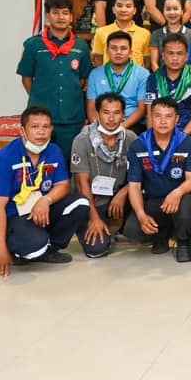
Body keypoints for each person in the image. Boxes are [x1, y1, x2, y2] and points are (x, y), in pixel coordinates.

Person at [0, 107, 90, 277]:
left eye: (46, 127)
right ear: (22, 130)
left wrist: (45, 200)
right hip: (13, 217)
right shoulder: (4, 158)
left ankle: (50, 249)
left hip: (41, 210)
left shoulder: (53, 151)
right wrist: (0, 248)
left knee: (81, 203)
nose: (41, 132)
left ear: (51, 129)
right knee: (34, 246)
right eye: (35, 127)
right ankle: (18, 250)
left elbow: (63, 185)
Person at [17, 0, 92, 160]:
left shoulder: (81, 46)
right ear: (48, 16)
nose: (60, 17)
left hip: (71, 118)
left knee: (69, 162)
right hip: (41, 117)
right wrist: (40, 96)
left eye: (65, 13)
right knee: (39, 160)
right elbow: (26, 78)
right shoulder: (33, 45)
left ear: (71, 17)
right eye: (55, 13)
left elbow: (83, 80)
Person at [124, 98, 191, 261]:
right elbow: (134, 186)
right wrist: (141, 214)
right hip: (153, 202)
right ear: (150, 117)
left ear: (177, 119)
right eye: (158, 116)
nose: (163, 121)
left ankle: (182, 240)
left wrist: (177, 193)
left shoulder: (188, 143)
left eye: (168, 116)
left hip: (180, 200)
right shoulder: (138, 145)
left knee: (187, 206)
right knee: (132, 230)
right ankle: (161, 236)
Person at [71, 93, 137, 258]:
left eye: (116, 113)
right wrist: (94, 218)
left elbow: (140, 175)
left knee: (141, 230)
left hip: (118, 199)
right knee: (96, 249)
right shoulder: (82, 140)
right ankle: (102, 226)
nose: (111, 119)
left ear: (123, 115)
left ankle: (117, 226)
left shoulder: (130, 138)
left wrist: (123, 193)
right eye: (106, 112)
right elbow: (82, 184)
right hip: (92, 202)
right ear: (97, 114)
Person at [86, 30, 150, 132]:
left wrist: (120, 128)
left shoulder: (143, 74)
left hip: (131, 125)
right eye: (114, 48)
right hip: (101, 126)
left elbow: (142, 109)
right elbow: (91, 109)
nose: (118, 52)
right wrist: (101, 129)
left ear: (130, 52)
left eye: (123, 48)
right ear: (107, 51)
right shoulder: (95, 74)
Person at [144, 34, 191, 137]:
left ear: (186, 56)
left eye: (179, 53)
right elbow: (150, 114)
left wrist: (180, 138)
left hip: (187, 133)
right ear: (163, 56)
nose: (175, 58)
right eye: (170, 53)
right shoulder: (154, 78)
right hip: (159, 133)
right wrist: (153, 138)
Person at [91, 0, 151, 67]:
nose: (123, 10)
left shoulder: (145, 33)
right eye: (119, 6)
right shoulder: (101, 32)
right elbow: (98, 58)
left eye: (128, 6)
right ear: (113, 9)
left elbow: (147, 59)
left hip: (136, 74)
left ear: (134, 10)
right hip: (108, 74)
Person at [149, 0, 191, 72]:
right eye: (168, 9)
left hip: (187, 77)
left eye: (175, 9)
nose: (172, 12)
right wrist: (161, 78)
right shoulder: (156, 34)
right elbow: (154, 63)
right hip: (162, 76)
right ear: (163, 11)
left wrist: (186, 78)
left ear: (182, 11)